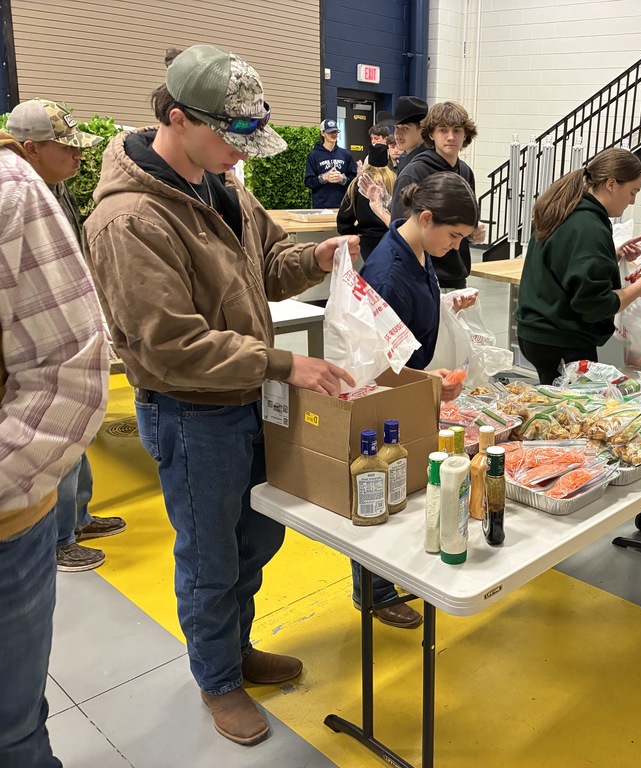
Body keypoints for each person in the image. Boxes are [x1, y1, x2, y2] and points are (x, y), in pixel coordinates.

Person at [83, 44, 357, 746]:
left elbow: (267, 265)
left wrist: (317, 256)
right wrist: (282, 365)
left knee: (256, 535)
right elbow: (170, 345)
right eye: (231, 140)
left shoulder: (224, 186)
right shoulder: (130, 220)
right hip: (193, 413)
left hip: (249, 399)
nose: (241, 157)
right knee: (210, 555)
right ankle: (217, 677)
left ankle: (236, 648)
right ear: (178, 118)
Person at [0, 124, 108, 768]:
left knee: (7, 737)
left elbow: (65, 375)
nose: (77, 156)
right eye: (67, 146)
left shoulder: (9, 187)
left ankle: (70, 528)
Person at [6, 97, 126, 573]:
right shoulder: (15, 200)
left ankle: (77, 519)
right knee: (55, 438)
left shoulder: (56, 189)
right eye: (67, 147)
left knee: (77, 433)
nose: (78, 155)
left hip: (70, 333)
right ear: (31, 149)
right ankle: (57, 540)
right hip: (39, 346)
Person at [353, 172, 476, 627]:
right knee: (379, 485)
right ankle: (374, 590)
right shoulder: (387, 273)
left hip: (409, 388)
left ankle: (387, 581)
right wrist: (427, 380)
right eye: (454, 236)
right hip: (385, 397)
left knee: (401, 484)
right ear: (425, 218)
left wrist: (445, 307)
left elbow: (409, 324)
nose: (456, 247)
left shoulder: (417, 251)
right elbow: (377, 365)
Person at [515, 147, 641, 385]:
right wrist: (639, 288)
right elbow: (594, 305)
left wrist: (611, 254)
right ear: (611, 184)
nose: (632, 201)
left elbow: (566, 261)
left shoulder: (564, 208)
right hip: (562, 340)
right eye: (632, 192)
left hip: (536, 333)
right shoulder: (590, 226)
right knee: (574, 406)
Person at [390, 101, 485, 290]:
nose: (451, 137)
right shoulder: (414, 173)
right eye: (443, 130)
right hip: (424, 279)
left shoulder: (465, 172)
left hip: (457, 276)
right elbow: (400, 234)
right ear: (432, 134)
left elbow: (464, 222)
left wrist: (473, 232)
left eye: (457, 130)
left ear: (465, 134)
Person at [337, 143, 394, 262]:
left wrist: (356, 234)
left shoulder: (359, 182)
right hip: (392, 237)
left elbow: (344, 217)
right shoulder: (395, 179)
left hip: (367, 240)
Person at [304, 118, 356, 209]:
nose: (334, 134)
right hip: (321, 205)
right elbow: (308, 182)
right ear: (322, 133)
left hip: (343, 204)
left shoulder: (345, 154)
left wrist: (342, 179)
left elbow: (354, 180)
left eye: (335, 132)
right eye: (330, 132)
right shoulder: (313, 155)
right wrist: (324, 177)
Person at [378, 95, 428, 174]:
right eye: (397, 127)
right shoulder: (408, 160)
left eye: (405, 128)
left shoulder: (421, 165)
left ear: (422, 130)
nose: (398, 134)